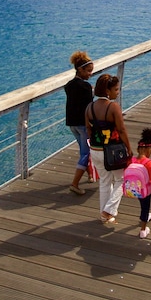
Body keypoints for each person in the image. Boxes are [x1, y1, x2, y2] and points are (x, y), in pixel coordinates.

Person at [84, 74, 131, 225]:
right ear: (107, 91)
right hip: (111, 151)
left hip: (95, 149)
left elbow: (88, 130)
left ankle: (105, 216)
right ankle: (109, 210)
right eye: (116, 89)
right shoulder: (113, 107)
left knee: (104, 181)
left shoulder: (89, 108)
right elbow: (122, 130)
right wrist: (129, 149)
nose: (118, 92)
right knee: (121, 179)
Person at [64, 51, 94, 195]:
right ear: (80, 70)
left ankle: (90, 175)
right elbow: (89, 108)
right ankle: (74, 184)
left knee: (83, 149)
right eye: (88, 71)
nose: (90, 74)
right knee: (86, 153)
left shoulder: (68, 85)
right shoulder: (86, 87)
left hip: (72, 124)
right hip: (83, 125)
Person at [131, 128, 151, 239]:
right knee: (145, 207)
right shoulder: (148, 163)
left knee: (143, 205)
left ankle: (145, 216)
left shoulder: (132, 160)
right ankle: (143, 230)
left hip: (134, 188)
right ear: (149, 149)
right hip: (146, 191)